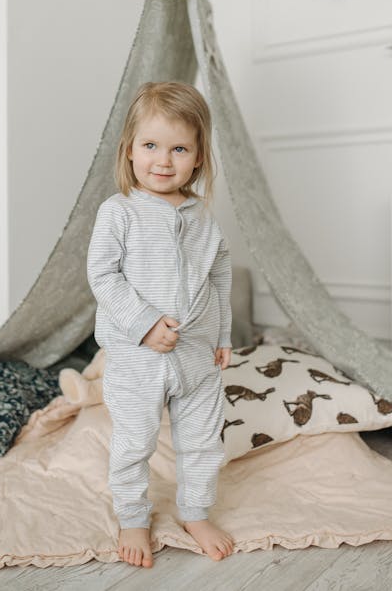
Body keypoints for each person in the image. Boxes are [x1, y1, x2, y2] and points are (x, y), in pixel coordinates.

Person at [87, 81, 234, 568]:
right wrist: (145, 324)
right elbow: (103, 275)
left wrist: (224, 336)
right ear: (130, 150)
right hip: (137, 357)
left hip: (196, 357)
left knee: (201, 439)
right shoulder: (119, 212)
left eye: (179, 148)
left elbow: (219, 277)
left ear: (198, 157)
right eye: (150, 145)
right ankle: (132, 515)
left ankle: (194, 511)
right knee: (135, 439)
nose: (163, 160)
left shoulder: (202, 218)